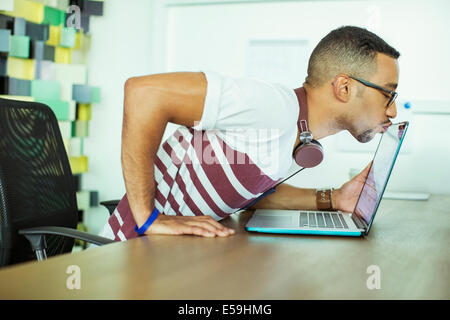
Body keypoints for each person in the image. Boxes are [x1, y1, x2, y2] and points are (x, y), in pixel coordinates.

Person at [100, 25, 400, 241]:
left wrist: (335, 198)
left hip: (176, 256)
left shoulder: (296, 128)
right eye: (388, 94)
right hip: (130, 251)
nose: (392, 111)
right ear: (344, 87)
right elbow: (143, 93)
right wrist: (148, 218)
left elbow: (252, 198)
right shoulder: (270, 106)